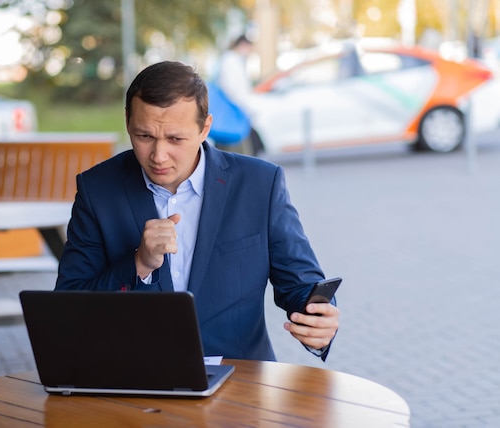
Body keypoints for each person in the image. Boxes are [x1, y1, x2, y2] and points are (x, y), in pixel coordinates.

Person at [55, 61, 339, 361]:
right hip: (134, 380)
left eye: (175, 139)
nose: (158, 155)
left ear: (205, 128)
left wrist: (319, 321)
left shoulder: (260, 184)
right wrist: (138, 264)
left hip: (240, 384)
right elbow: (68, 308)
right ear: (128, 122)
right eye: (144, 136)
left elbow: (301, 285)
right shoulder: (97, 189)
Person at [215, 34, 265, 155]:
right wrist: (247, 108)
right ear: (243, 45)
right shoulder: (231, 61)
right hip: (235, 116)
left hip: (235, 116)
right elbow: (234, 90)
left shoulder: (231, 60)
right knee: (238, 154)